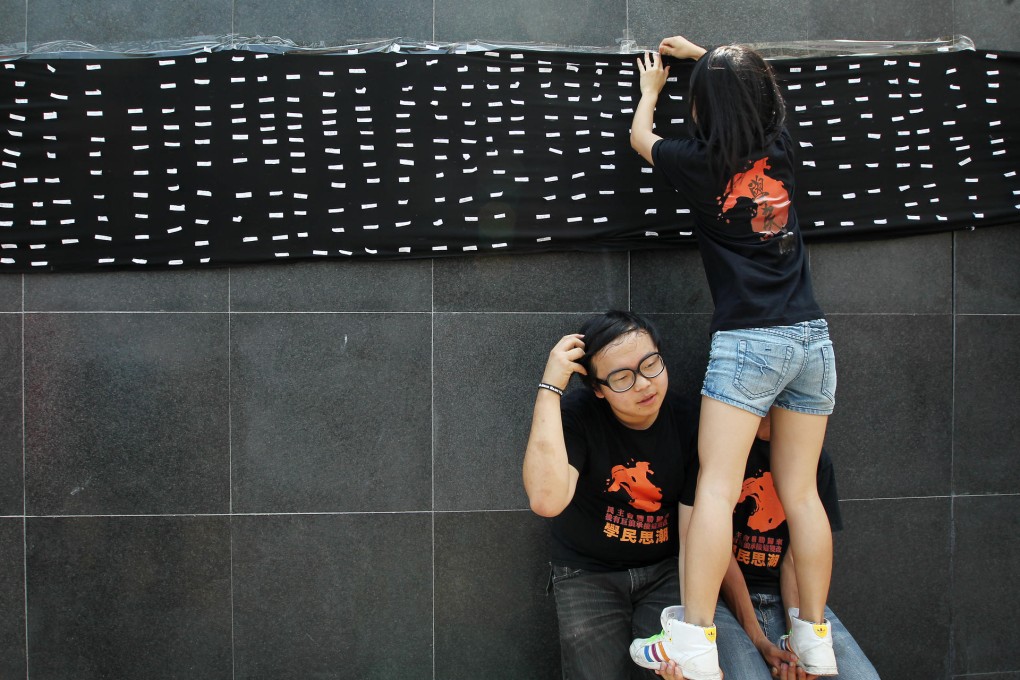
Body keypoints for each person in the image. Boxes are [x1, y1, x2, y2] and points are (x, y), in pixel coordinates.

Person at [628, 35, 839, 680]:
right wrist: (707, 52)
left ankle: (693, 639)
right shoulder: (783, 149)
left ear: (704, 110)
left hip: (749, 339)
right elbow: (767, 90)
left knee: (716, 490)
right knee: (801, 494)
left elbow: (642, 138)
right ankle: (816, 638)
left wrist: (653, 91)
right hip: (813, 339)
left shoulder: (698, 161)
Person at [523, 310, 699, 679]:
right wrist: (550, 388)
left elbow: (693, 527)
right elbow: (546, 500)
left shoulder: (689, 419)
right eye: (622, 377)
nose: (643, 384)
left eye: (650, 364)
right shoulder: (578, 414)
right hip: (587, 572)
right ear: (598, 389)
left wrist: (693, 624)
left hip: (665, 570)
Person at [654, 411, 880, 680]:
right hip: (720, 600)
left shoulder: (812, 461)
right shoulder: (717, 453)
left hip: (782, 596)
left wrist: (800, 643)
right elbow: (718, 557)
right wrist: (759, 640)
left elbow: (794, 561)